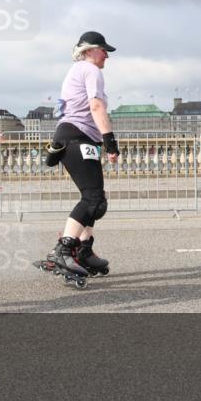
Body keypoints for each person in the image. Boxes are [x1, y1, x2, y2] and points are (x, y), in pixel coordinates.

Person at [40, 31, 120, 288]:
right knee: (94, 199)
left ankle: (84, 249)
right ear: (88, 50)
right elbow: (96, 107)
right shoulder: (90, 69)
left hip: (74, 137)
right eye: (103, 50)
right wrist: (110, 142)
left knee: (95, 199)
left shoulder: (77, 70)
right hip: (78, 137)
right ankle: (65, 249)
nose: (107, 55)